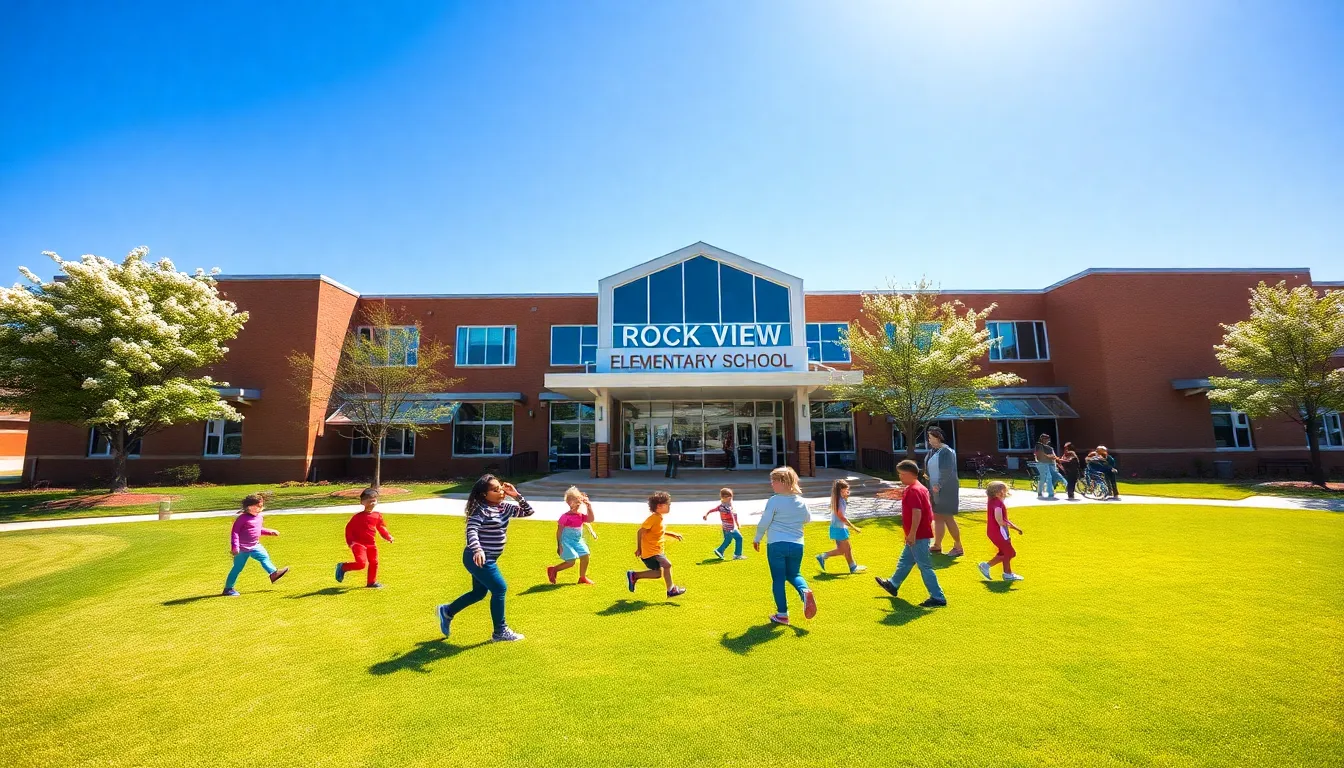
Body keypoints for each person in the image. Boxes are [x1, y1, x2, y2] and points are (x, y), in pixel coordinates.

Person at [437, 475, 535, 643]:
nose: (500, 492)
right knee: (500, 588)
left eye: (500, 488)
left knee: (478, 593)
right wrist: (477, 549)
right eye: (495, 490)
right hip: (478, 558)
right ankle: (500, 631)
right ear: (484, 494)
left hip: (487, 559)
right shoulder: (480, 510)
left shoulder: (504, 508)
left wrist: (516, 495)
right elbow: (471, 530)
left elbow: (528, 511)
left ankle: (447, 611)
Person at [875, 460, 947, 607]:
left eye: (901, 474)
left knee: (924, 566)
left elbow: (917, 513)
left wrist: (912, 533)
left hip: (918, 534)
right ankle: (893, 584)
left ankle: (938, 597)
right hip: (919, 533)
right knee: (906, 560)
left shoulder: (914, 490)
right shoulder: (918, 487)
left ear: (909, 474)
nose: (900, 477)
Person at [754, 466, 818, 625]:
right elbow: (807, 519)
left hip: (776, 545)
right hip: (797, 545)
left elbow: (764, 522)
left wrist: (757, 538)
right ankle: (805, 592)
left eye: (774, 481)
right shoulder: (802, 501)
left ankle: (782, 614)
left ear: (783, 482)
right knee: (794, 574)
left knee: (778, 579)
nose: (771, 484)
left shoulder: (774, 500)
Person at [223, 494, 289, 596]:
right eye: (258, 506)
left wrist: (270, 532)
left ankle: (273, 573)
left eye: (261, 506)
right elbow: (235, 532)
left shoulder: (259, 518)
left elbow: (257, 530)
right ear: (249, 507)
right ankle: (228, 589)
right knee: (237, 568)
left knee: (264, 557)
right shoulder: (242, 519)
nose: (260, 508)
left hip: (255, 546)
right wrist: (235, 547)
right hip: (242, 548)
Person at [627, 491, 686, 597]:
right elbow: (640, 531)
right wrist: (639, 548)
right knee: (667, 565)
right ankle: (671, 590)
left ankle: (634, 575)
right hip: (651, 552)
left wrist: (672, 534)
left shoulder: (659, 518)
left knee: (658, 574)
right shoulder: (653, 518)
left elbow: (657, 531)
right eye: (668, 504)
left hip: (656, 551)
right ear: (659, 506)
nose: (669, 506)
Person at [335, 488, 393, 588]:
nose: (372, 503)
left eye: (374, 501)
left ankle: (371, 582)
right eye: (369, 501)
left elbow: (381, 527)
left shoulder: (377, 515)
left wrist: (388, 536)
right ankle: (343, 567)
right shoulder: (357, 517)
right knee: (361, 564)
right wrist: (350, 542)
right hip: (358, 544)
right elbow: (348, 529)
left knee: (374, 562)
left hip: (371, 544)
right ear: (362, 502)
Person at [925, 427, 963, 556]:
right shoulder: (932, 452)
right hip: (934, 488)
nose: (929, 440)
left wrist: (939, 484)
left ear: (938, 438)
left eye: (930, 437)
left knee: (947, 517)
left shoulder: (947, 452)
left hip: (946, 489)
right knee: (937, 517)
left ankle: (958, 546)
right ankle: (937, 545)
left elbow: (947, 470)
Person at [547, 486, 596, 585]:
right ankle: (554, 569)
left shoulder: (580, 515)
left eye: (578, 503)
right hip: (566, 541)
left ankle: (582, 577)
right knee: (571, 561)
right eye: (573, 503)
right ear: (569, 503)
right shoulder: (565, 517)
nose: (576, 506)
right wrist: (559, 545)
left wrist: (589, 507)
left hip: (578, 541)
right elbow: (559, 531)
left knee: (585, 555)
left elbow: (590, 519)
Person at [977, 481, 1024, 581]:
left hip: (995, 532)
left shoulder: (993, 501)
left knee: (1004, 553)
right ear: (998, 492)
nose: (1005, 493)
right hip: (998, 532)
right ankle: (987, 566)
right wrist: (1011, 526)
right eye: (1004, 490)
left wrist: (1013, 527)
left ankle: (1007, 574)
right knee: (1010, 553)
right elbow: (999, 520)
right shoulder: (997, 503)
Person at [817, 478, 865, 574]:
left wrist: (845, 497)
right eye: (844, 490)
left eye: (847, 490)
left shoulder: (838, 500)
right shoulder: (840, 501)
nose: (846, 492)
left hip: (838, 527)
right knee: (843, 550)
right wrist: (853, 527)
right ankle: (823, 556)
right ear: (840, 491)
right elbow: (841, 516)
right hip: (839, 528)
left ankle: (853, 567)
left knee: (847, 549)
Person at [703, 487, 745, 560]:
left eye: (730, 497)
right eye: (727, 497)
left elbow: (734, 515)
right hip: (729, 528)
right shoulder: (723, 507)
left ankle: (720, 550)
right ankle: (737, 555)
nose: (730, 499)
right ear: (723, 498)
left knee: (728, 540)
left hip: (728, 528)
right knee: (739, 538)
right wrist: (706, 515)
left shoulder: (729, 505)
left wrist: (737, 524)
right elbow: (712, 510)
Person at [1033, 433, 1064, 500]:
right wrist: (1050, 457)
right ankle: (1047, 492)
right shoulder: (1038, 445)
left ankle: (1046, 492)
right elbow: (1040, 454)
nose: (1047, 441)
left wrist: (1057, 459)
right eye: (1046, 439)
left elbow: (1054, 456)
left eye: (1048, 439)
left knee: (1047, 478)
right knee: (1046, 477)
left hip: (1050, 464)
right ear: (1042, 439)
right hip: (1042, 464)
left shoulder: (1050, 448)